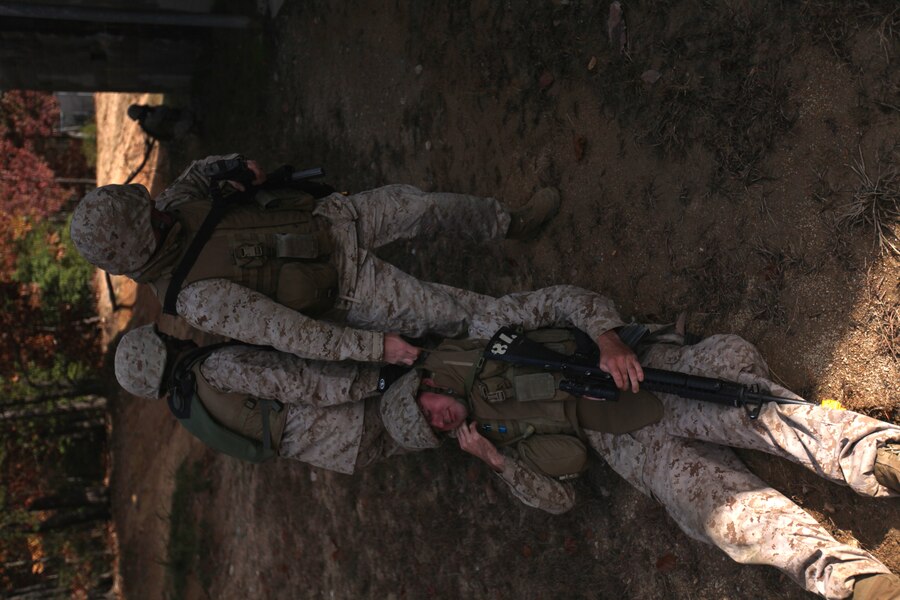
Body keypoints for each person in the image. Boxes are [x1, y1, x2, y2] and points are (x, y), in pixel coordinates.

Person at [398, 330, 900, 600]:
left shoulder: (489, 338)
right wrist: (495, 461)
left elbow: (565, 300)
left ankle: (876, 458)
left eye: (429, 409)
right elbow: (559, 499)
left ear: (433, 384)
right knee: (725, 517)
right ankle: (853, 583)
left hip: (637, 375)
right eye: (435, 430)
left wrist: (606, 336)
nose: (440, 419)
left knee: (749, 409)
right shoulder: (495, 443)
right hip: (624, 446)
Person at [71, 154, 566, 367]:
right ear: (140, 250)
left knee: (424, 205)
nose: (156, 208)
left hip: (333, 218)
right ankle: (549, 334)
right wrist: (377, 349)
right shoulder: (196, 298)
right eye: (147, 219)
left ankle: (511, 223)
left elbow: (200, 175)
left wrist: (234, 168)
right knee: (454, 312)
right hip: (348, 285)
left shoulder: (173, 208)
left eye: (147, 206)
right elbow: (293, 334)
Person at [127, 104, 196, 142]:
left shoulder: (149, 116)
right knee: (190, 119)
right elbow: (163, 110)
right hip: (176, 131)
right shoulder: (148, 122)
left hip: (176, 124)